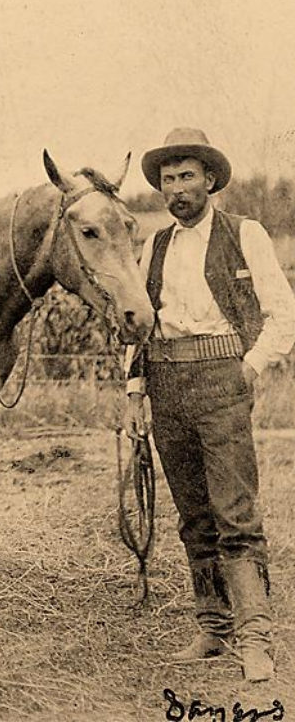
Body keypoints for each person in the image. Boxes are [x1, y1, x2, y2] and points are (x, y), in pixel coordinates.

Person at [124, 128, 295, 683]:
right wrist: (134, 392)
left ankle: (256, 639)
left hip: (222, 379)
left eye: (187, 177)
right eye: (168, 179)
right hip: (166, 382)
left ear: (210, 180)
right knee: (193, 516)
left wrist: (252, 366)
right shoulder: (154, 246)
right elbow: (137, 326)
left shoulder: (245, 234)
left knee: (236, 514)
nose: (177, 188)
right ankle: (213, 627)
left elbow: (283, 313)